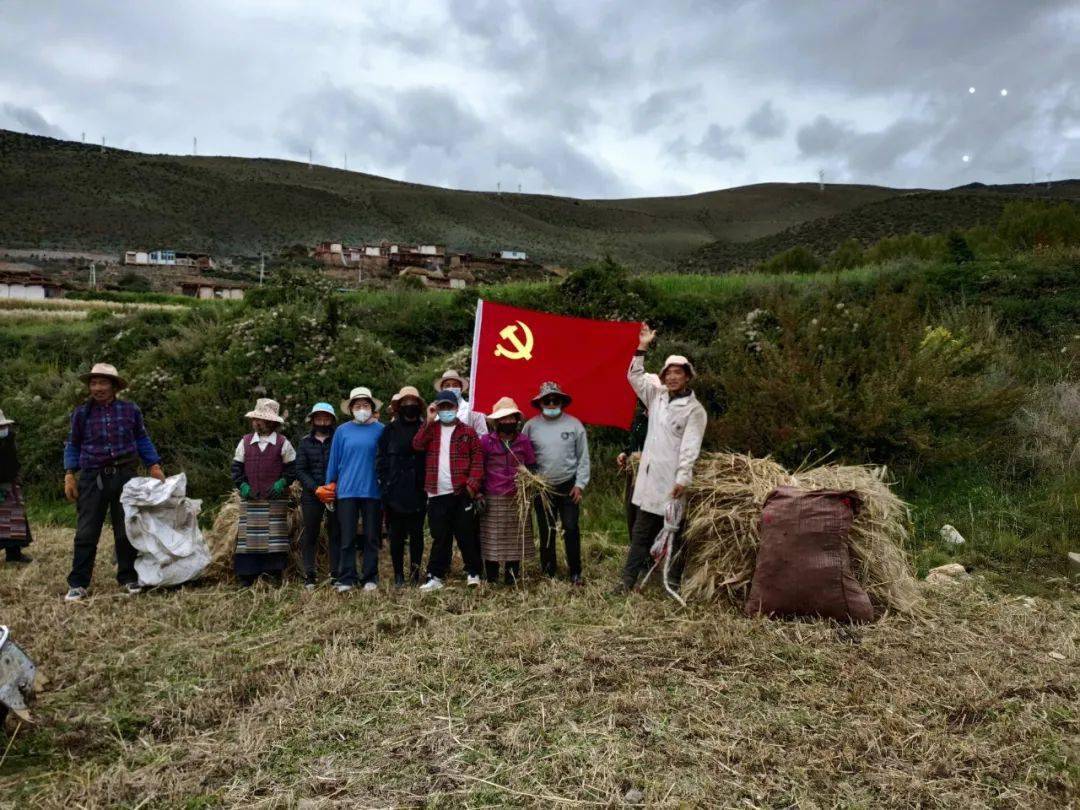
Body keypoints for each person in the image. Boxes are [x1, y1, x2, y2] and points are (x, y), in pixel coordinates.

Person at [62, 363, 165, 602]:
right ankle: (78, 583)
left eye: (103, 383)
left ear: (114, 386)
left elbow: (141, 437)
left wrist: (154, 465)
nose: (97, 388)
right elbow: (73, 443)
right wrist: (69, 473)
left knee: (126, 529)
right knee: (87, 531)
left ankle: (128, 577)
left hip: (125, 475)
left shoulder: (130, 410)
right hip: (92, 477)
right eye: (94, 383)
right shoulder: (81, 413)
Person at [618, 324, 707, 594]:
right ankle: (626, 582)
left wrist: (682, 478)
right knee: (641, 534)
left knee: (675, 533)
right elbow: (634, 376)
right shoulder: (656, 397)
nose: (672, 378)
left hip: (672, 483)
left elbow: (690, 447)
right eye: (668, 373)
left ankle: (674, 583)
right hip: (650, 479)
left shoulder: (694, 411)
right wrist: (642, 346)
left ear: (687, 377)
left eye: (678, 373)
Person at [412, 390, 483, 591]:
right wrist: (428, 418)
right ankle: (435, 575)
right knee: (440, 536)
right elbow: (417, 445)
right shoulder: (431, 429)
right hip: (436, 492)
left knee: (465, 534)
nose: (445, 411)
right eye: (442, 407)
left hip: (461, 492)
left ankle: (473, 572)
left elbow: (477, 461)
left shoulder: (468, 432)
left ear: (456, 408)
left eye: (449, 407)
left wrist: (471, 487)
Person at [523, 381, 590, 584]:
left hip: (568, 485)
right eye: (547, 400)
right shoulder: (530, 426)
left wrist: (580, 484)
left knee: (570, 528)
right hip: (542, 487)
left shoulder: (574, 425)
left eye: (555, 400)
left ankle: (575, 572)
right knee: (547, 530)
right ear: (540, 403)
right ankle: (549, 571)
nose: (551, 404)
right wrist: (529, 479)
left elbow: (583, 456)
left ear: (561, 401)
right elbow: (522, 455)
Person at [231, 398, 297, 587]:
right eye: (255, 419)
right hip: (250, 499)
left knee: (275, 540)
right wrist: (242, 485)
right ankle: (246, 577)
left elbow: (292, 469)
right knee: (248, 541)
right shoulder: (244, 442)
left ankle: (274, 575)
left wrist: (283, 482)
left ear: (272, 423)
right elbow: (236, 468)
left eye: (261, 420)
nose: (256, 423)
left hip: (275, 500)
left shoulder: (283, 443)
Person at [325, 386, 384, 593]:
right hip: (346, 491)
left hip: (372, 491)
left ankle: (370, 577)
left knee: (371, 537)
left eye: (365, 405)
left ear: (372, 407)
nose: (362, 409)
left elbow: (386, 460)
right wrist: (329, 485)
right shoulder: (342, 431)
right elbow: (334, 460)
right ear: (351, 409)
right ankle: (347, 577)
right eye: (357, 405)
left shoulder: (381, 430)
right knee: (347, 537)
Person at [477, 397, 537, 585]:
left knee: (514, 538)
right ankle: (492, 577)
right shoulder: (486, 441)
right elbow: (479, 467)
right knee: (492, 538)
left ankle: (511, 577)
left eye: (512, 418)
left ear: (517, 420)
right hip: (492, 494)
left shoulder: (523, 441)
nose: (508, 422)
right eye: (504, 419)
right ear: (496, 421)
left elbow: (532, 465)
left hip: (517, 496)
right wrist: (478, 492)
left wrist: (528, 480)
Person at [376, 386, 428, 586]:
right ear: (399, 407)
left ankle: (415, 574)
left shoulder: (425, 428)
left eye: (413, 403)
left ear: (418, 405)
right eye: (405, 403)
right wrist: (385, 485)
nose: (409, 406)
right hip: (394, 489)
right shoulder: (388, 430)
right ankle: (398, 575)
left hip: (419, 488)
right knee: (396, 536)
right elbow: (380, 460)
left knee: (417, 535)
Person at [295, 402, 340, 590]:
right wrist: (316, 489)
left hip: (334, 492)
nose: (323, 421)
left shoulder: (338, 439)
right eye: (319, 418)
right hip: (312, 495)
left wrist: (334, 485)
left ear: (331, 420)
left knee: (336, 532)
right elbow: (300, 469)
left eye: (326, 418)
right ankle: (310, 574)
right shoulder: (305, 442)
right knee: (311, 532)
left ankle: (336, 572)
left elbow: (343, 463)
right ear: (313, 420)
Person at [0, 409, 32, 565]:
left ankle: (14, 554)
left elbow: (13, 463)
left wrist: (16, 478)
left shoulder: (9, 439)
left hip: (10, 487)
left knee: (14, 521)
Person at [434, 369, 487, 436]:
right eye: (447, 386)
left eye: (455, 385)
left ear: (461, 388)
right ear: (442, 389)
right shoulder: (436, 414)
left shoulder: (473, 409)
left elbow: (483, 436)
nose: (451, 388)